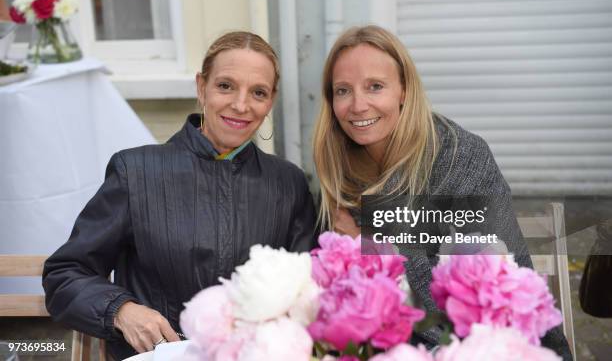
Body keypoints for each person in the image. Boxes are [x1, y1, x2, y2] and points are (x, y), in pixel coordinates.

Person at [43, 31, 317, 360]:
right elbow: (66, 273)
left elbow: (308, 288)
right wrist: (121, 310)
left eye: (257, 92)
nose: (241, 104)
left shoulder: (288, 184)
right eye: (225, 85)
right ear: (202, 87)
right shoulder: (136, 171)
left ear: (270, 101)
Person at [312, 25, 572, 360]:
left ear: (404, 90)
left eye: (375, 86)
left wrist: (370, 241)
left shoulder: (460, 158)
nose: (358, 105)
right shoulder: (340, 166)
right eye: (343, 91)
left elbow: (490, 303)